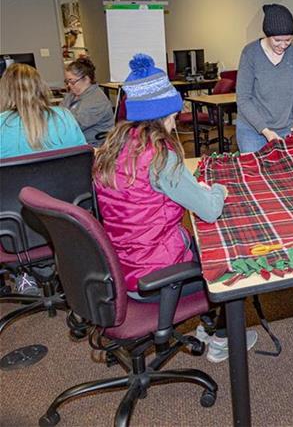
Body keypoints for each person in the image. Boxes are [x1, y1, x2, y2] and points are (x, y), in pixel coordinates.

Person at [93, 53, 256, 362]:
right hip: (155, 275)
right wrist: (218, 189)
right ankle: (223, 338)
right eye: (172, 113)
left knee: (197, 242)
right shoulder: (160, 156)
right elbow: (209, 210)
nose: (175, 120)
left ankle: (208, 327)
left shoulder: (113, 148)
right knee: (230, 256)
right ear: (162, 113)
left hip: (121, 267)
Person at [0, 63, 86, 295]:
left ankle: (22, 274)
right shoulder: (65, 117)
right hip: (67, 221)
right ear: (41, 87)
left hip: (14, 229)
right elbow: (85, 165)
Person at [235, 3, 293, 153]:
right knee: (256, 174)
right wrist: (265, 131)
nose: (283, 45)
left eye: (288, 40)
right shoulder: (250, 53)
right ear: (267, 35)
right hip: (253, 131)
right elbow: (243, 99)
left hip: (285, 129)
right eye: (277, 40)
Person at [62, 56, 114, 147]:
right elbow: (60, 113)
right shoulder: (72, 94)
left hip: (94, 145)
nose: (69, 85)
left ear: (86, 79)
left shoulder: (97, 101)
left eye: (72, 81)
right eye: (67, 81)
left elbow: (75, 125)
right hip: (78, 141)